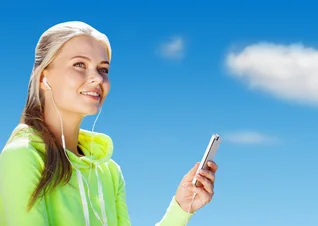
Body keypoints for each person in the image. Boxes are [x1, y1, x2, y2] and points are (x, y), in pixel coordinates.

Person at [0, 21, 219, 226]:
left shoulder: (108, 171)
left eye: (103, 69)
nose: (97, 78)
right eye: (79, 64)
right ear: (43, 77)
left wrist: (181, 208)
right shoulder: (23, 156)